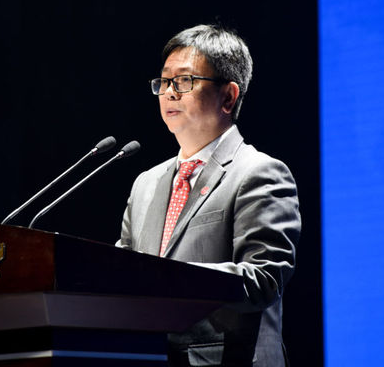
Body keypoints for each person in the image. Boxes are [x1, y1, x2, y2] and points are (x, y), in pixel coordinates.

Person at [116, 24, 301, 366]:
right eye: (164, 82)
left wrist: (167, 277)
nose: (169, 93)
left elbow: (263, 279)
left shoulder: (259, 173)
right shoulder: (146, 184)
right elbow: (120, 273)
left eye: (184, 81)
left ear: (228, 96)